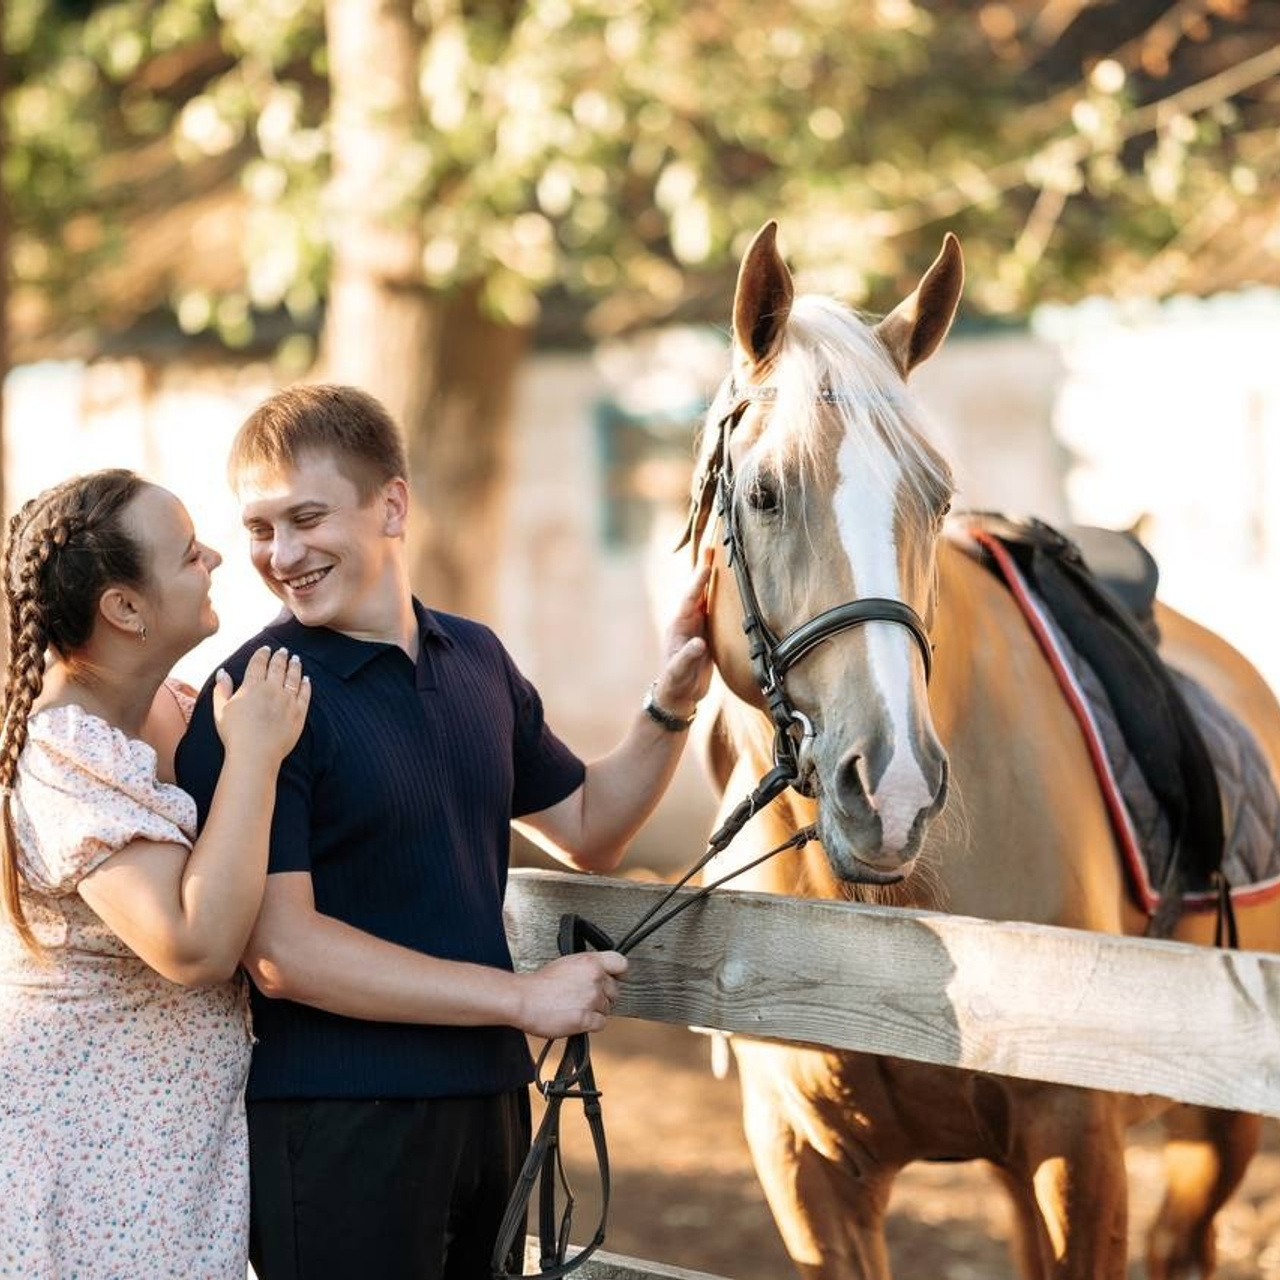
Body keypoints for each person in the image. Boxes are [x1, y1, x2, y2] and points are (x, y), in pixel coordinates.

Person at [174, 383, 712, 1279]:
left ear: (392, 502)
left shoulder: (477, 659)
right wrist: (519, 997)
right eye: (261, 528)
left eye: (307, 518)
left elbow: (588, 827)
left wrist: (670, 703)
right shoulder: (255, 698)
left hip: (490, 1104)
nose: (283, 553)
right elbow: (281, 951)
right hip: (340, 1121)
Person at [0, 468, 312, 1278]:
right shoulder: (63, 752)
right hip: (90, 1162)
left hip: (173, 1150)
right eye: (185, 554)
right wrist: (253, 757)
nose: (212, 557)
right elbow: (194, 945)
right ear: (125, 609)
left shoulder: (174, 704)